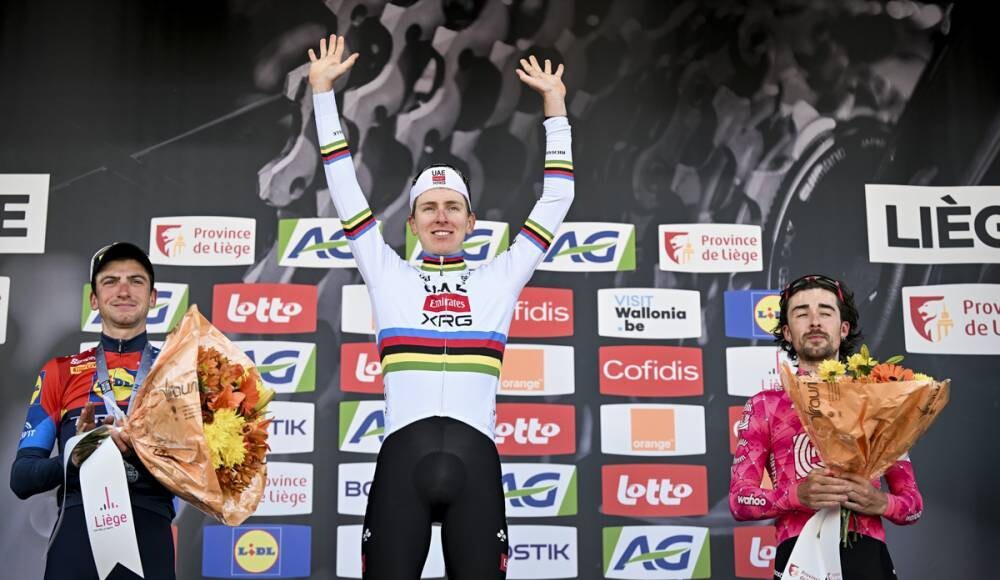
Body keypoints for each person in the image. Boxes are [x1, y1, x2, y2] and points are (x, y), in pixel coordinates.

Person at [308, 34, 573, 579]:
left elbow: (557, 198)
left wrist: (555, 106)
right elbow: (344, 186)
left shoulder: (500, 277)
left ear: (471, 222)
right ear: (411, 223)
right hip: (402, 464)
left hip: (476, 466)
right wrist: (322, 96)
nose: (442, 217)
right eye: (428, 208)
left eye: (453, 206)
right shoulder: (387, 272)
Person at [729, 274, 924, 579]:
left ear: (843, 328)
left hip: (868, 557)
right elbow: (739, 501)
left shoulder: (877, 400)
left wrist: (880, 502)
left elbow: (913, 506)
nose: (815, 321)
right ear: (787, 333)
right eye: (801, 313)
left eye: (825, 312)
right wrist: (795, 495)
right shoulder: (765, 405)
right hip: (798, 558)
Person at [11, 242, 175, 580]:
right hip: (76, 540)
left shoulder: (179, 371)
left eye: (136, 280)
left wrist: (149, 448)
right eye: (110, 281)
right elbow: (22, 478)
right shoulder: (60, 371)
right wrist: (77, 455)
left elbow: (210, 471)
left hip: (150, 538)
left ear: (153, 297)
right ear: (94, 300)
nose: (124, 290)